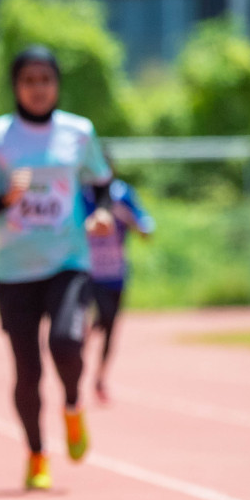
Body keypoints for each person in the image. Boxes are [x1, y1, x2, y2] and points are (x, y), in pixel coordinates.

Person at [0, 47, 114, 491]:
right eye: (28, 80)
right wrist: (6, 198)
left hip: (68, 259)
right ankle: (36, 454)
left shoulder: (78, 132)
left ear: (56, 84)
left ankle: (72, 406)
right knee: (27, 372)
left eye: (45, 79)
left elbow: (102, 183)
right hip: (14, 270)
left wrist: (102, 212)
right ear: (16, 86)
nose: (38, 88)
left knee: (67, 343)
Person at [81, 166, 155, 405]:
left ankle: (100, 377)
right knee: (94, 318)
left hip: (115, 273)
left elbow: (146, 227)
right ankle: (76, 358)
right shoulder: (80, 195)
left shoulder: (123, 194)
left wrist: (126, 218)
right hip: (87, 272)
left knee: (110, 326)